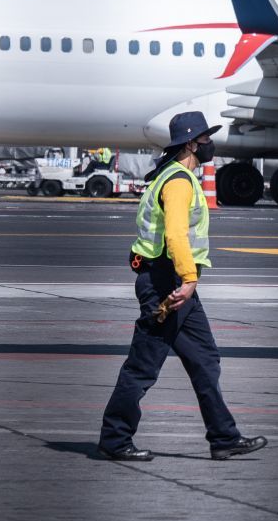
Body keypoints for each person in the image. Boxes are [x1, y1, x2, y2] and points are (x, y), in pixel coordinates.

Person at [97, 111, 265, 462]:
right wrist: (188, 279)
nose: (210, 145)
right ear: (191, 143)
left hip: (172, 281)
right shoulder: (178, 182)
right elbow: (175, 234)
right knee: (143, 365)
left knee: (205, 360)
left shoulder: (170, 175)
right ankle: (115, 439)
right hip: (168, 283)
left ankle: (224, 437)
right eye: (205, 139)